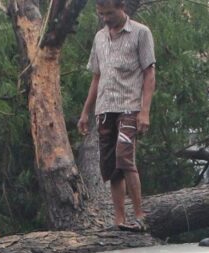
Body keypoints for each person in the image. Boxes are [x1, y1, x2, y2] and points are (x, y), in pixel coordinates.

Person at [78, 0, 156, 231]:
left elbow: (149, 74)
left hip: (129, 106)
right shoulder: (100, 38)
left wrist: (145, 111)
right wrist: (86, 111)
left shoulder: (141, 33)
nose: (105, 18)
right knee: (111, 166)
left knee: (125, 158)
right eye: (101, 14)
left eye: (109, 13)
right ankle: (119, 220)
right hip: (105, 108)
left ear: (122, 8)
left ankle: (140, 215)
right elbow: (96, 77)